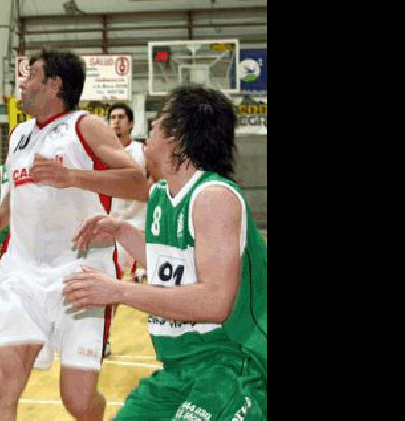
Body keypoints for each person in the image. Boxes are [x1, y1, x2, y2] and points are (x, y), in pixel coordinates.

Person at [66, 85, 267, 420]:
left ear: (178, 136)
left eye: (157, 122)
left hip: (232, 362)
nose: (149, 132)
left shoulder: (213, 197)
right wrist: (120, 231)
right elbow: (173, 267)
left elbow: (215, 302)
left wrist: (118, 291)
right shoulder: (161, 194)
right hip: (179, 367)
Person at [0, 51, 150, 421]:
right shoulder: (19, 134)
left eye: (31, 75)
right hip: (20, 274)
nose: (22, 82)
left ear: (54, 84)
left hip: (80, 273)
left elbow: (138, 184)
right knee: (1, 384)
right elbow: (15, 191)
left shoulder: (85, 126)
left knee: (78, 401)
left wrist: (72, 177)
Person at [106, 103, 148, 281]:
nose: (116, 122)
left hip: (138, 224)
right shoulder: (102, 153)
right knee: (113, 278)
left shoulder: (143, 151)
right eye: (113, 118)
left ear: (130, 124)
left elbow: (155, 180)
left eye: (121, 117)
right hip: (111, 224)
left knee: (134, 281)